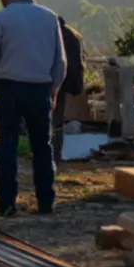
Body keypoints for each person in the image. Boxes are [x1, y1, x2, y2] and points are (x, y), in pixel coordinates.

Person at [0, 0, 65, 216]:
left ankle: (7, 203)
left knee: (8, 144)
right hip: (40, 89)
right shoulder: (50, 17)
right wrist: (53, 90)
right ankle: (46, 201)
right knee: (43, 146)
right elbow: (60, 62)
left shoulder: (1, 19)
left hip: (9, 88)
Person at [52, 14, 85, 163]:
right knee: (58, 118)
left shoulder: (53, 33)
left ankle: (53, 153)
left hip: (53, 79)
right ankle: (57, 153)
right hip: (66, 81)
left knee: (52, 119)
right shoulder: (72, 34)